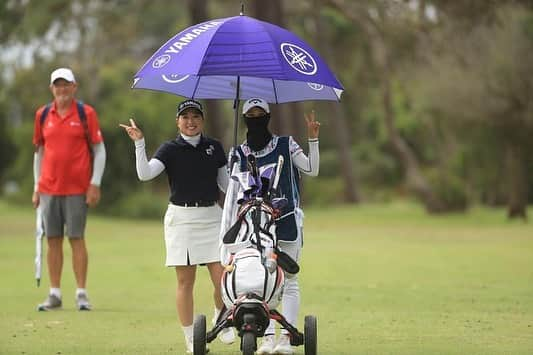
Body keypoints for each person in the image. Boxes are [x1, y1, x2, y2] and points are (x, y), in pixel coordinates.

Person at [120, 99, 235, 354]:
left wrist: (239, 180)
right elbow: (145, 174)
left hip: (212, 217)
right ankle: (191, 339)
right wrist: (139, 143)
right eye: (185, 117)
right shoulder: (169, 149)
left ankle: (221, 315)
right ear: (178, 121)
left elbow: (226, 186)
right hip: (181, 219)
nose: (190, 121)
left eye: (195, 116)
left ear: (202, 120)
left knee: (224, 280)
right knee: (186, 281)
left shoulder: (214, 147)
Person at [225, 98, 320, 355]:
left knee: (289, 280)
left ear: (268, 116)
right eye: (251, 115)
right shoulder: (237, 152)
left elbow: (312, 169)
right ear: (244, 119)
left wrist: (313, 139)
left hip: (286, 220)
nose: (256, 119)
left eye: (260, 114)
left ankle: (286, 339)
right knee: (260, 279)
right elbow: (229, 190)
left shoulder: (286, 145)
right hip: (252, 226)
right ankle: (266, 338)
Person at [32, 67, 106, 311]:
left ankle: (81, 293)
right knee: (52, 240)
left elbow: (99, 149)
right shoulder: (43, 115)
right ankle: (54, 293)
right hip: (48, 189)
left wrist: (95, 182)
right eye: (57, 85)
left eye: (66, 85)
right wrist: (36, 187)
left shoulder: (86, 114)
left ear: (74, 87)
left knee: (76, 238)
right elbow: (39, 153)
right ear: (52, 88)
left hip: (77, 188)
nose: (62, 89)